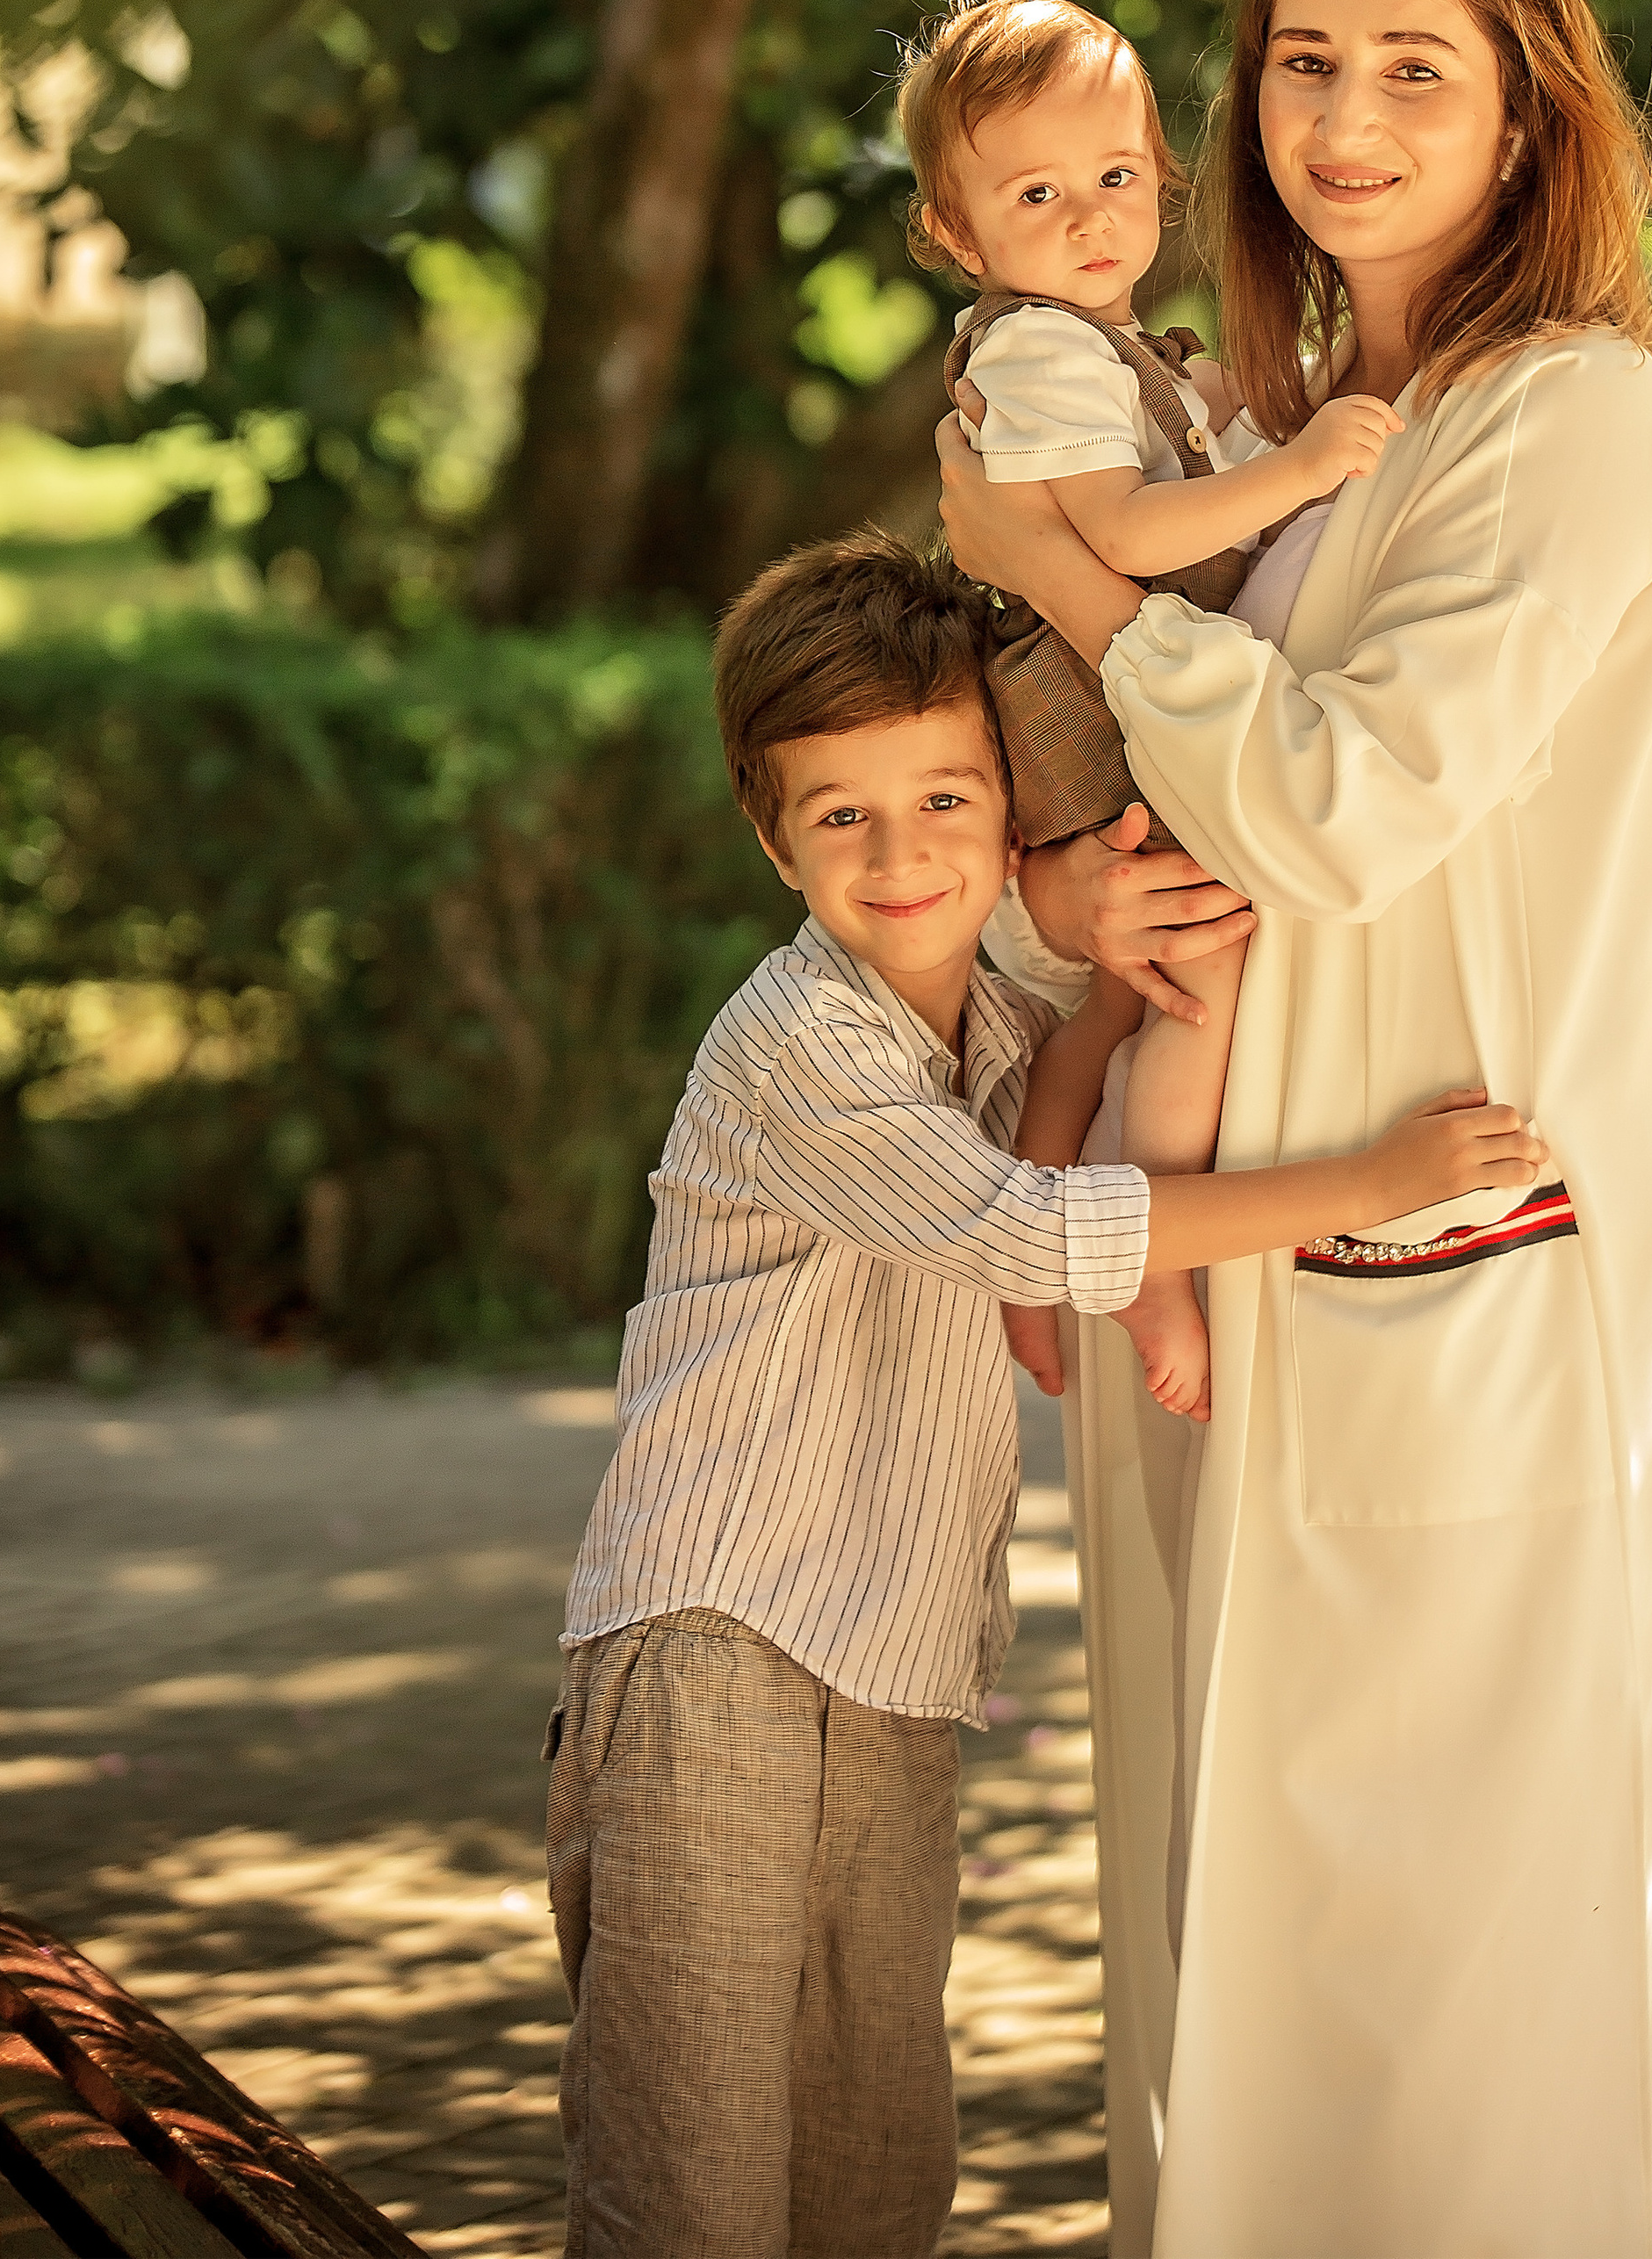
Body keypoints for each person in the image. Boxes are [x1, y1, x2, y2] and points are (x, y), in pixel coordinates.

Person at [940, 0, 1652, 2259]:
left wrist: (1052, 566)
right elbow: (1169, 807)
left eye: (1414, 67)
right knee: (1221, 1954)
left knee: (1436, 1998)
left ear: (1524, 114)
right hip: (1230, 1273)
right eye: (1301, 61)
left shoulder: (1567, 422)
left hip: (1445, 1259)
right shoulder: (1299, 421)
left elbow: (1341, 809)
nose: (1344, 117)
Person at [544, 524, 1551, 2259]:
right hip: (706, 1649)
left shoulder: (982, 1018)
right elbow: (1029, 1225)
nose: (900, 852)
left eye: (943, 800)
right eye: (838, 814)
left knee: (875, 2171)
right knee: (689, 2191)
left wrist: (1102, 989)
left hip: (892, 1667)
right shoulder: (800, 1040)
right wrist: (1369, 1183)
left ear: (1008, 810)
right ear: (765, 833)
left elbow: (1054, 1094)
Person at [896, 0, 1399, 1424]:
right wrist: (1291, 474)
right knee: (1198, 977)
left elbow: (1181, 470)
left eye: (1115, 178)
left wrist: (1246, 421)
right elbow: (1115, 533)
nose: (1087, 219)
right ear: (956, 233)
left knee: (1110, 1011)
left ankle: (1034, 1233)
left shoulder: (1124, 350)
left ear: (1161, 180)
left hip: (1111, 717)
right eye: (1035, 193)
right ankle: (1152, 1248)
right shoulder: (1040, 350)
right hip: (1095, 723)